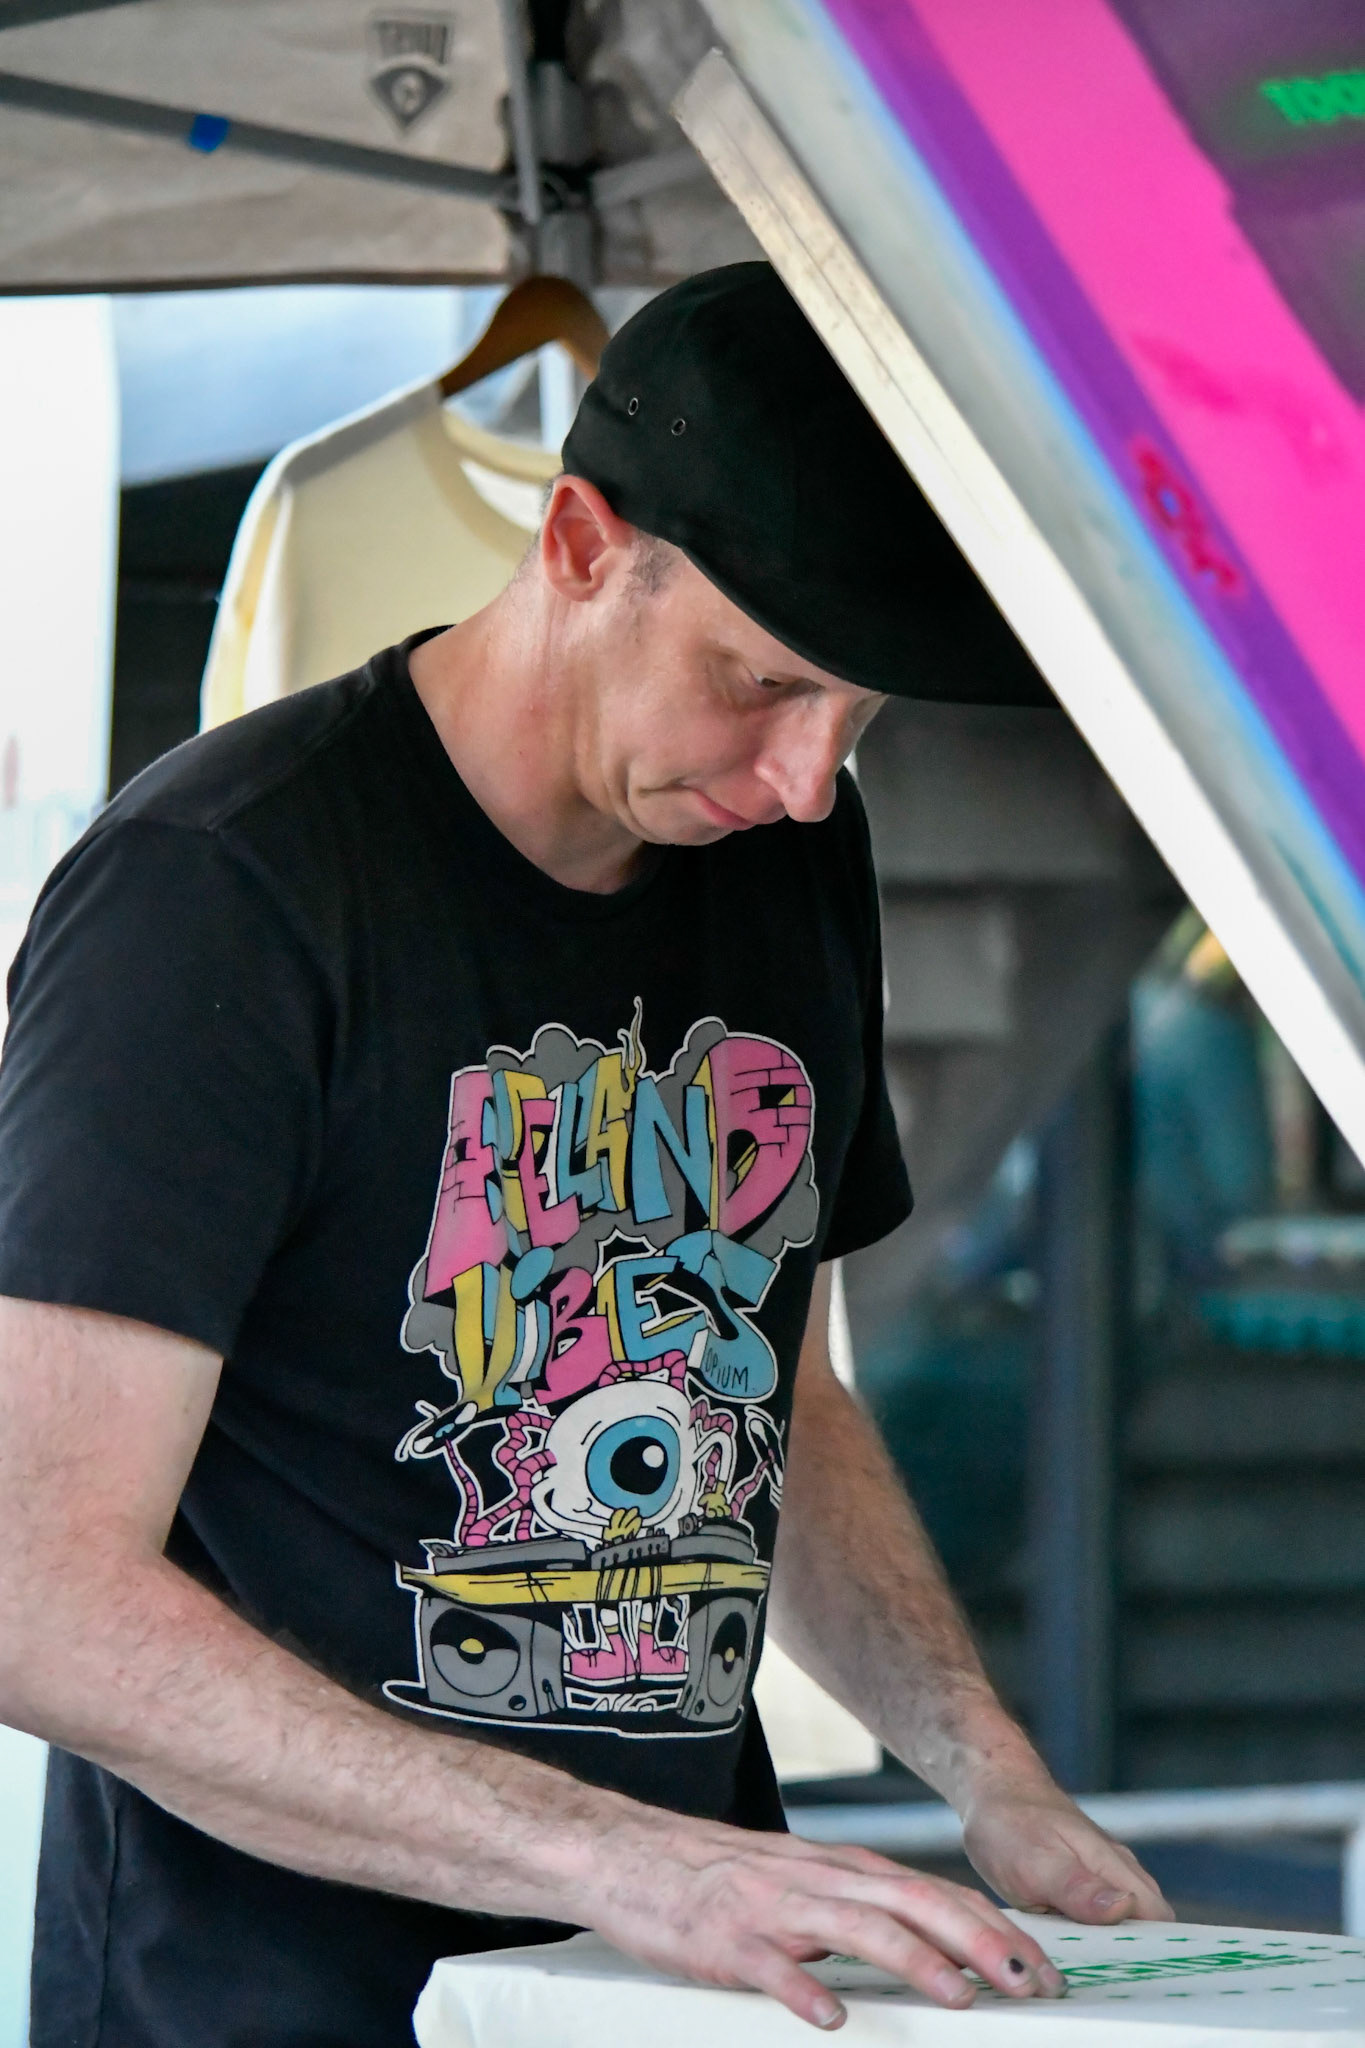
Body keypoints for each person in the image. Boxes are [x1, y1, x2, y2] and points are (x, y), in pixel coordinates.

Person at [0, 263, 1167, 2048]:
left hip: (670, 1991)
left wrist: (981, 1764)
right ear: (576, 546)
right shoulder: (219, 892)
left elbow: (776, 1386)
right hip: (269, 2001)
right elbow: (35, 1586)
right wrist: (623, 1862)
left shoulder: (785, 850)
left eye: (856, 718)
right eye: (760, 682)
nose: (805, 776)